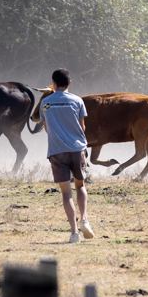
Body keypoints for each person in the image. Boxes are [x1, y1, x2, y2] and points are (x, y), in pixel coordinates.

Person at [39, 68, 94, 242]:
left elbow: (47, 129)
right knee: (80, 185)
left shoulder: (45, 103)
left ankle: (74, 232)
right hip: (77, 149)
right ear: (70, 83)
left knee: (66, 193)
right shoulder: (78, 101)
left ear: (53, 83)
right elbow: (83, 128)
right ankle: (84, 219)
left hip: (57, 151)